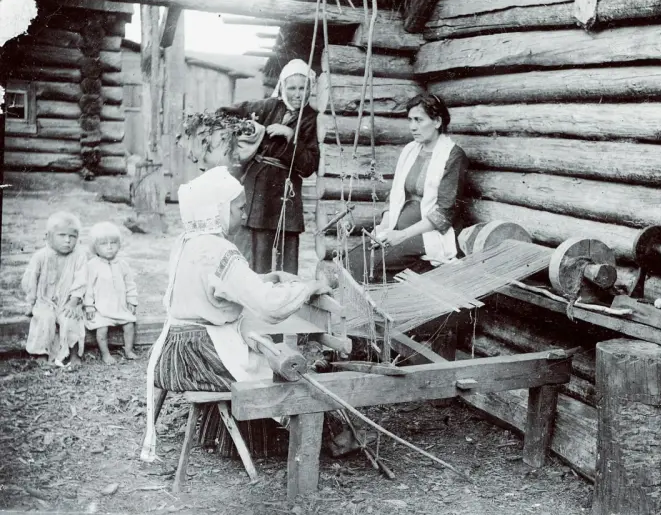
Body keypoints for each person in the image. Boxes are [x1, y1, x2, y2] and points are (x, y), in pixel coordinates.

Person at [141, 166, 330, 462]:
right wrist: (307, 287)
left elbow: (217, 287)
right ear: (218, 210)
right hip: (202, 358)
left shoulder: (187, 243)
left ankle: (240, 438)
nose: (245, 212)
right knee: (279, 365)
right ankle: (286, 441)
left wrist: (263, 278)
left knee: (259, 349)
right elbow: (270, 306)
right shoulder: (221, 251)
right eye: (240, 207)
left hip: (173, 352)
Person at [347, 93, 469, 282]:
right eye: (410, 120)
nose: (413, 126)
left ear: (437, 121)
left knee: (366, 265)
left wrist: (402, 235)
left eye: (419, 120)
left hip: (429, 233)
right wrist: (385, 226)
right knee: (352, 257)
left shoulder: (453, 156)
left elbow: (444, 214)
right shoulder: (411, 150)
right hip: (399, 226)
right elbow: (395, 194)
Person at [217, 59, 320, 275]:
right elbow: (233, 112)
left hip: (288, 191)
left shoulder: (312, 118)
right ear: (282, 87)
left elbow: (310, 165)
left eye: (303, 88)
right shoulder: (268, 106)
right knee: (258, 249)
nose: (297, 94)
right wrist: (245, 134)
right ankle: (257, 295)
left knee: (288, 250)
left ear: (310, 88)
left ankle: (286, 298)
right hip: (260, 186)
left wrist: (291, 137)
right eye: (291, 88)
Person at [21, 211, 87, 366]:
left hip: (69, 300)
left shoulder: (79, 256)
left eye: (72, 236)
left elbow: (81, 280)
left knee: (72, 319)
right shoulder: (40, 256)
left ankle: (74, 354)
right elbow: (31, 282)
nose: (67, 240)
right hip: (45, 300)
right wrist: (30, 303)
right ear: (48, 236)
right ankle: (41, 354)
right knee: (44, 319)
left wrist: (74, 301)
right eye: (62, 235)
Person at [84, 222, 139, 364]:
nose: (109, 247)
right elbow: (88, 287)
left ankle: (128, 350)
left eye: (113, 243)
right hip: (101, 309)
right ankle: (105, 354)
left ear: (119, 244)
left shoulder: (122, 264)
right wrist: (89, 306)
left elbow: (130, 284)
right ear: (95, 247)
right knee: (101, 330)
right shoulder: (92, 266)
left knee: (129, 325)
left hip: (119, 307)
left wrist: (132, 300)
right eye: (103, 243)